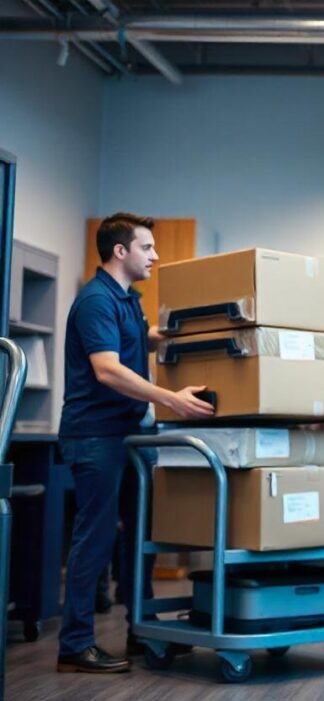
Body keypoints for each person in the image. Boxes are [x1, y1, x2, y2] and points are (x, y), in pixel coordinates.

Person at [56, 213, 214, 673]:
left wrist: (186, 334)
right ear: (120, 252)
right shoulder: (95, 302)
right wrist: (171, 399)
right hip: (96, 435)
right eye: (147, 248)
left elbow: (135, 341)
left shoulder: (128, 300)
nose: (156, 256)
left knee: (140, 536)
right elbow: (106, 368)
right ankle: (74, 646)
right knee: (97, 538)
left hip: (130, 433)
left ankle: (141, 631)